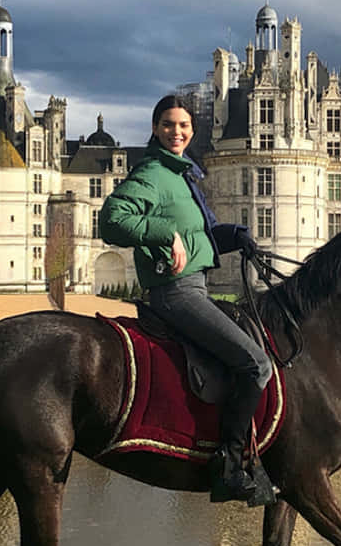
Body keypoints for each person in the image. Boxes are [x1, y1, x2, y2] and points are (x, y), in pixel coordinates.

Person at [99, 94, 275, 505]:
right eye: (167, 125)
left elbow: (202, 235)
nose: (176, 132)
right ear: (155, 129)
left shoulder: (182, 178)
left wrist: (237, 237)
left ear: (191, 131)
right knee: (256, 364)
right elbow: (112, 219)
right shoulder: (155, 173)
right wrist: (164, 233)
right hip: (175, 292)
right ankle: (231, 466)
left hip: (195, 286)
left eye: (182, 126)